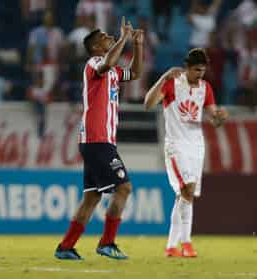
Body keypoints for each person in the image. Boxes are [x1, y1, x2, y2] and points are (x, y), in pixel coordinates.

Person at [54, 16, 143, 260]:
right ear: (95, 47)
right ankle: (107, 243)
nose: (109, 36)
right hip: (98, 139)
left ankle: (65, 247)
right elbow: (107, 63)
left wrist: (137, 44)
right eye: (104, 37)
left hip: (98, 141)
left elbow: (135, 73)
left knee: (92, 197)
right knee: (124, 188)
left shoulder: (112, 71)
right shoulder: (94, 63)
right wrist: (123, 38)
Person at [143, 48, 229, 258]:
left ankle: (171, 246)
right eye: (197, 70)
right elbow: (147, 104)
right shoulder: (173, 83)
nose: (200, 74)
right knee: (187, 190)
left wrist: (220, 117)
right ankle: (187, 244)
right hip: (176, 145)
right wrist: (163, 76)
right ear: (187, 68)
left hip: (196, 147)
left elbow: (213, 119)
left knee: (183, 195)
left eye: (203, 70)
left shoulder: (205, 87)